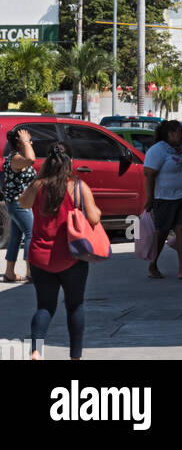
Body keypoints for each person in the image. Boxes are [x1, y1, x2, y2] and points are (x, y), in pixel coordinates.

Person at [17, 142, 100, 360]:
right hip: (71, 258)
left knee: (44, 307)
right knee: (75, 306)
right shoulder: (78, 187)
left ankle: (36, 350)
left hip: (40, 258)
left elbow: (23, 203)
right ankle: (75, 357)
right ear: (70, 162)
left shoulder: (37, 185)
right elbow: (94, 217)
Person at [142, 120, 182, 280]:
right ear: (170, 133)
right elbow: (149, 175)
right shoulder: (158, 150)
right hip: (165, 198)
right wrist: (149, 198)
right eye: (180, 131)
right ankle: (152, 265)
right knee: (162, 233)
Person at [2, 126, 37, 283]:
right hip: (19, 204)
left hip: (18, 203)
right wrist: (25, 142)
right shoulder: (16, 158)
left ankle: (9, 272)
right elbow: (31, 160)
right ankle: (31, 271)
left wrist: (26, 143)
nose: (31, 142)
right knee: (31, 234)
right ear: (19, 143)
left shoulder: (17, 156)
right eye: (29, 140)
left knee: (16, 237)